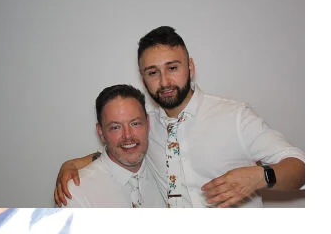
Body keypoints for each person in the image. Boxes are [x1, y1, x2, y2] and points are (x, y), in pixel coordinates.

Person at [54, 26, 305, 208]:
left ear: (190, 68)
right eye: (153, 72)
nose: (165, 82)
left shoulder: (235, 117)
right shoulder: (147, 125)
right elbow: (124, 147)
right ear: (143, 78)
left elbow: (302, 167)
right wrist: (74, 164)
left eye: (172, 68)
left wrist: (260, 177)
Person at [57, 84, 165, 208]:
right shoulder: (76, 194)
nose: (128, 135)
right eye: (115, 127)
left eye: (135, 123)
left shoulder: (164, 170)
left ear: (148, 123)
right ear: (100, 132)